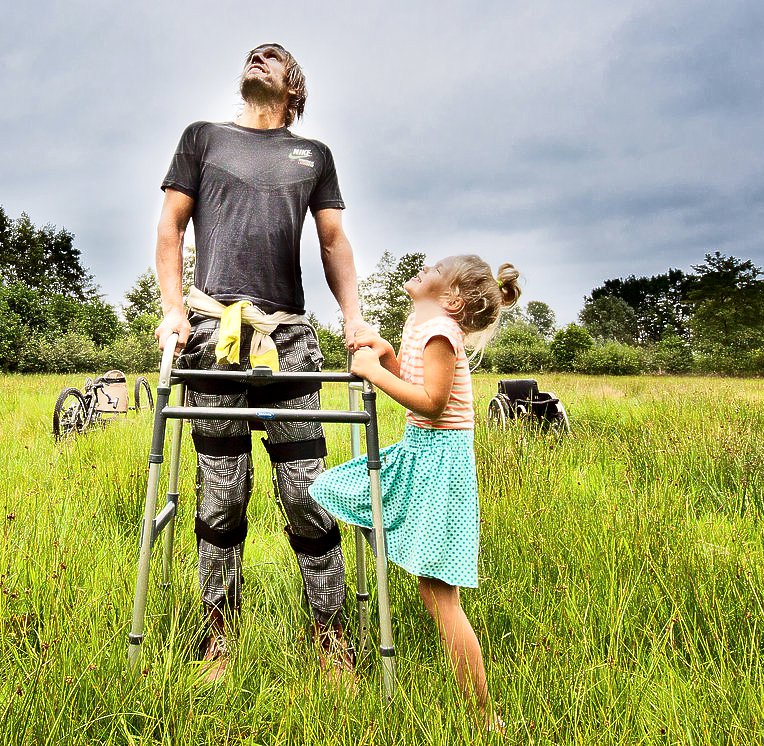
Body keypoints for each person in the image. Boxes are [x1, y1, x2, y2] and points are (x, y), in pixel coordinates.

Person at [153, 43, 371, 681]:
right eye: (254, 53)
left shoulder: (314, 156)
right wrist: (172, 310)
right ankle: (218, 638)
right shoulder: (203, 139)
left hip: (289, 335)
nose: (261, 56)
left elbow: (333, 240)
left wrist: (353, 319)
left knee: (307, 496)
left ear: (293, 89)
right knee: (221, 499)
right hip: (213, 333)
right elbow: (170, 227)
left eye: (275, 57)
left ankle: (329, 638)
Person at [311, 255, 519, 724]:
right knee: (333, 488)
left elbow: (432, 402)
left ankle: (484, 715)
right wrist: (385, 354)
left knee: (440, 595)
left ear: (452, 298)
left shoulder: (441, 332)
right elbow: (416, 382)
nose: (425, 266)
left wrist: (374, 372)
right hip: (420, 452)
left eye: (436, 268)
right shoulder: (422, 323)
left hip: (441, 463)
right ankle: (400, 545)